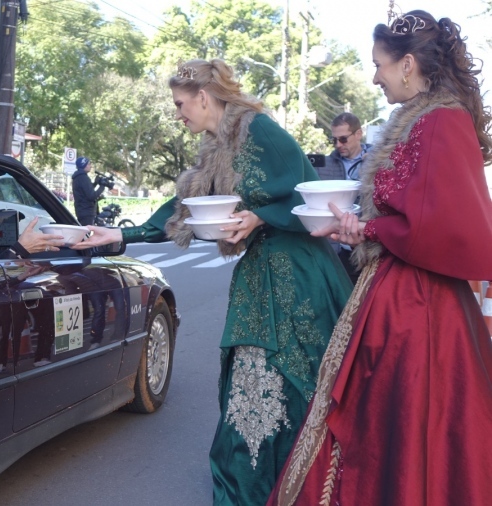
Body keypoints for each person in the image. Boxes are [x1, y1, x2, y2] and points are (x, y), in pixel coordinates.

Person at [75, 58, 352, 505]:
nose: (178, 113)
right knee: (252, 381)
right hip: (259, 273)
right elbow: (185, 209)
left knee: (294, 381)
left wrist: (260, 215)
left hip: (299, 275)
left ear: (203, 97)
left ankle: (299, 483)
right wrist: (120, 235)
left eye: (179, 104)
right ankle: (261, 485)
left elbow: (307, 192)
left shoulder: (260, 129)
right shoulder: (214, 147)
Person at [269, 10, 492, 505]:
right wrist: (359, 228)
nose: (375, 77)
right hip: (396, 294)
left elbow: (442, 227)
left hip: (420, 306)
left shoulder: (441, 121)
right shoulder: (424, 120)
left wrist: (366, 228)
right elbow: (414, 216)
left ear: (407, 64)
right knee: (391, 425)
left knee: (406, 423)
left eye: (378, 65)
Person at [319, 112, 371, 283]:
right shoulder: (325, 164)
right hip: (337, 246)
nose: (338, 145)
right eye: (333, 140)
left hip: (368, 242)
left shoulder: (378, 159)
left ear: (358, 134)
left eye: (343, 139)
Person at [71, 156, 105, 225]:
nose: (90, 166)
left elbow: (85, 190)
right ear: (84, 165)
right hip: (86, 211)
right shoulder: (83, 178)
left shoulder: (78, 177)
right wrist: (102, 186)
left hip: (81, 210)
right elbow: (91, 196)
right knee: (86, 231)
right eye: (89, 164)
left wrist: (95, 183)